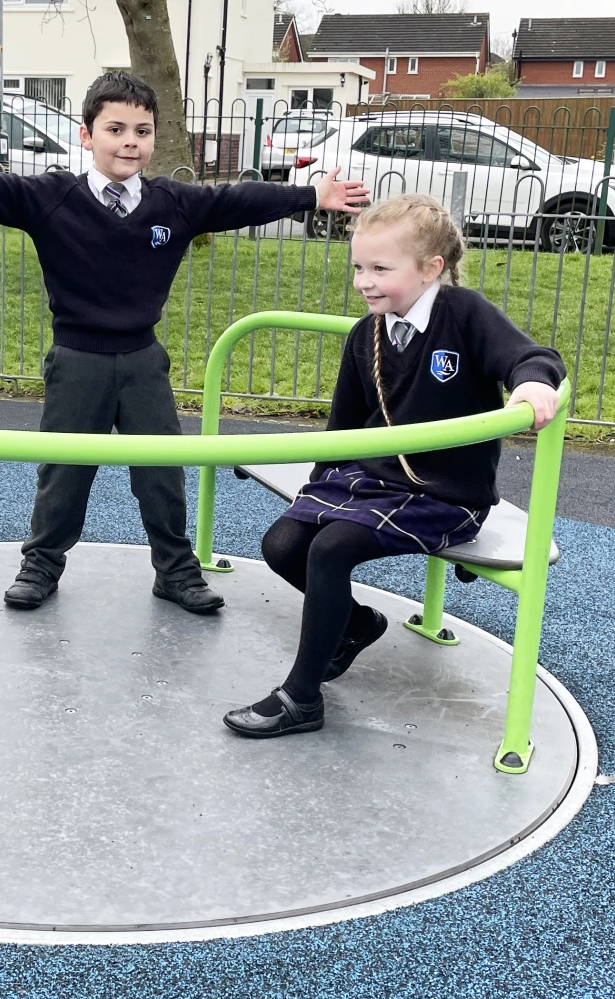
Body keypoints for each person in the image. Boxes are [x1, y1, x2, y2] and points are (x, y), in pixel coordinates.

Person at [0, 71, 368, 614]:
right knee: (64, 472)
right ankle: (42, 563)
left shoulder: (173, 204)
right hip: (77, 360)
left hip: (142, 360)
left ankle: (175, 569)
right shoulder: (52, 198)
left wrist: (311, 194)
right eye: (115, 129)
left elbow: (236, 199)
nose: (130, 141)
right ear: (86, 136)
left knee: (161, 472)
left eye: (142, 131)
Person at [223, 194, 565, 742]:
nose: (365, 280)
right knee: (283, 545)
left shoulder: (464, 314)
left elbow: (528, 356)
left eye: (381, 268)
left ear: (432, 269)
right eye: (359, 267)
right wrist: (314, 495)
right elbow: (343, 424)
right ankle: (356, 625)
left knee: (331, 550)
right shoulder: (369, 333)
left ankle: (302, 697)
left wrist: (531, 384)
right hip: (374, 477)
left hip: (445, 492)